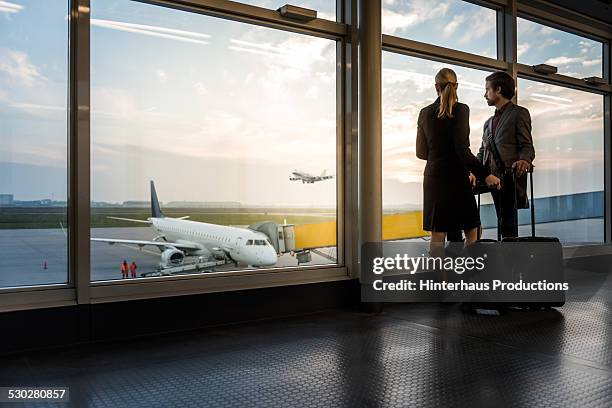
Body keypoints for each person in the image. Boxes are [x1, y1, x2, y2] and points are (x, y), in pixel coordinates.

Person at [416, 68, 501, 253]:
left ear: (436, 87)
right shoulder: (461, 109)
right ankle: (465, 275)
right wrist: (485, 175)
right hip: (456, 177)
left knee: (438, 234)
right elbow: (462, 149)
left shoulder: (424, 113)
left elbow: (421, 153)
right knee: (473, 229)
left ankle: (441, 282)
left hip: (434, 179)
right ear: (457, 86)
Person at [477, 71, 535, 238]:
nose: (484, 94)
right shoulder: (488, 123)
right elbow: (482, 151)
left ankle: (509, 261)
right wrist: (473, 170)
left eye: (487, 89)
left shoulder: (519, 113)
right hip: (490, 179)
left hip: (509, 178)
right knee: (502, 221)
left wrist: (524, 159)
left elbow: (527, 145)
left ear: (498, 90)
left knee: (508, 226)